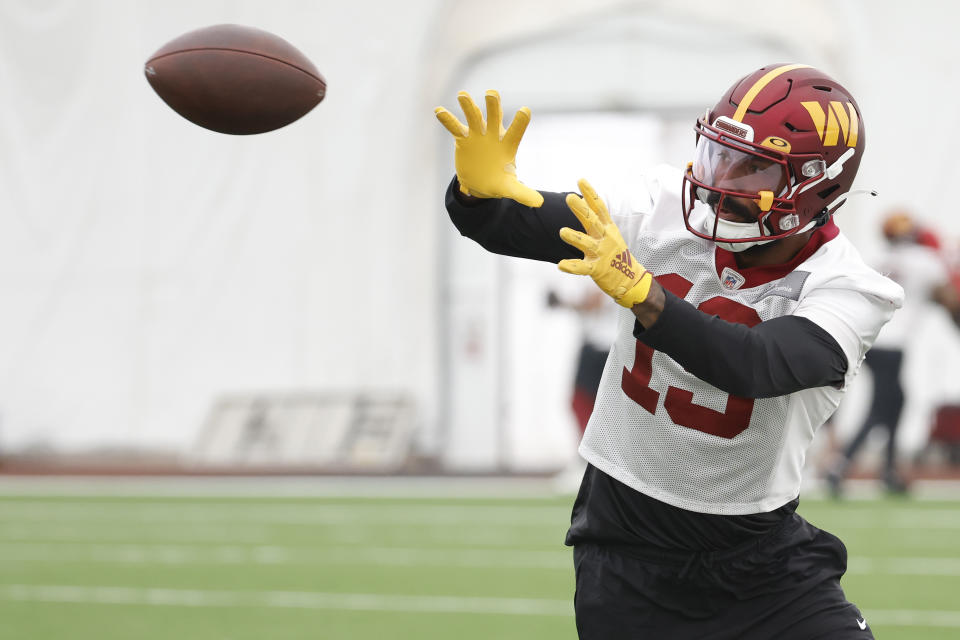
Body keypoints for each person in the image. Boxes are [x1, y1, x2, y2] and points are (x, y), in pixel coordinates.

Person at [436, 63, 903, 639]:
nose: (720, 180)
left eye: (751, 167)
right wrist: (479, 198)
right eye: (718, 154)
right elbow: (524, 224)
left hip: (763, 563)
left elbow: (755, 365)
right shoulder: (660, 206)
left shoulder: (852, 287)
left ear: (816, 184)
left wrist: (644, 293)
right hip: (630, 552)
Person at [827, 211, 960, 496]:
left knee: (896, 401)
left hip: (870, 340)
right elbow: (948, 300)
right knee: (882, 407)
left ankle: (888, 470)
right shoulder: (925, 260)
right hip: (892, 345)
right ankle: (840, 466)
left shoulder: (881, 259)